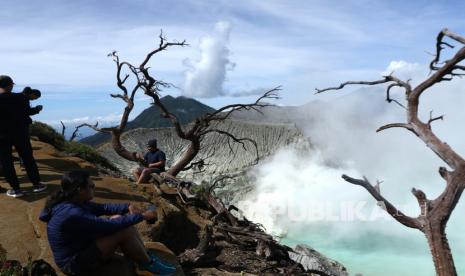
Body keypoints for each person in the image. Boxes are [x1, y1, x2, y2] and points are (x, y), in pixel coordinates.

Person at [39, 170, 176, 275]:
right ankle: (147, 265)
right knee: (123, 229)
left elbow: (102, 208)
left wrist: (127, 206)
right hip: (73, 264)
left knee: (118, 218)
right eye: (91, 186)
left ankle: (143, 255)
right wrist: (143, 216)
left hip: (80, 247)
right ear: (79, 190)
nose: (94, 187)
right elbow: (107, 226)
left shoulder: (72, 200)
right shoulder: (72, 212)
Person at [0, 75, 46, 197]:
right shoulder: (20, 97)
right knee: (27, 158)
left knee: (6, 162)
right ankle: (37, 185)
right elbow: (26, 113)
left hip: (2, 135)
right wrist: (37, 109)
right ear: (10, 85)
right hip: (20, 133)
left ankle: (16, 189)